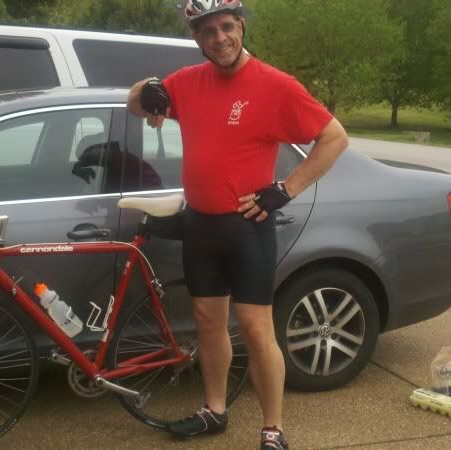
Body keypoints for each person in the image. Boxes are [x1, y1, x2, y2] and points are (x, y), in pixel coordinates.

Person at [127, 1, 349, 449]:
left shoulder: (275, 85)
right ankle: (214, 410)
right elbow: (135, 103)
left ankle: (273, 429)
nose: (220, 38)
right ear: (197, 38)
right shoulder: (187, 82)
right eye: (208, 32)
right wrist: (147, 90)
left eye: (227, 27)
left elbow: (334, 138)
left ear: (241, 27)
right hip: (200, 226)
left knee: (255, 327)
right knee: (208, 321)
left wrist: (286, 188)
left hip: (248, 227)